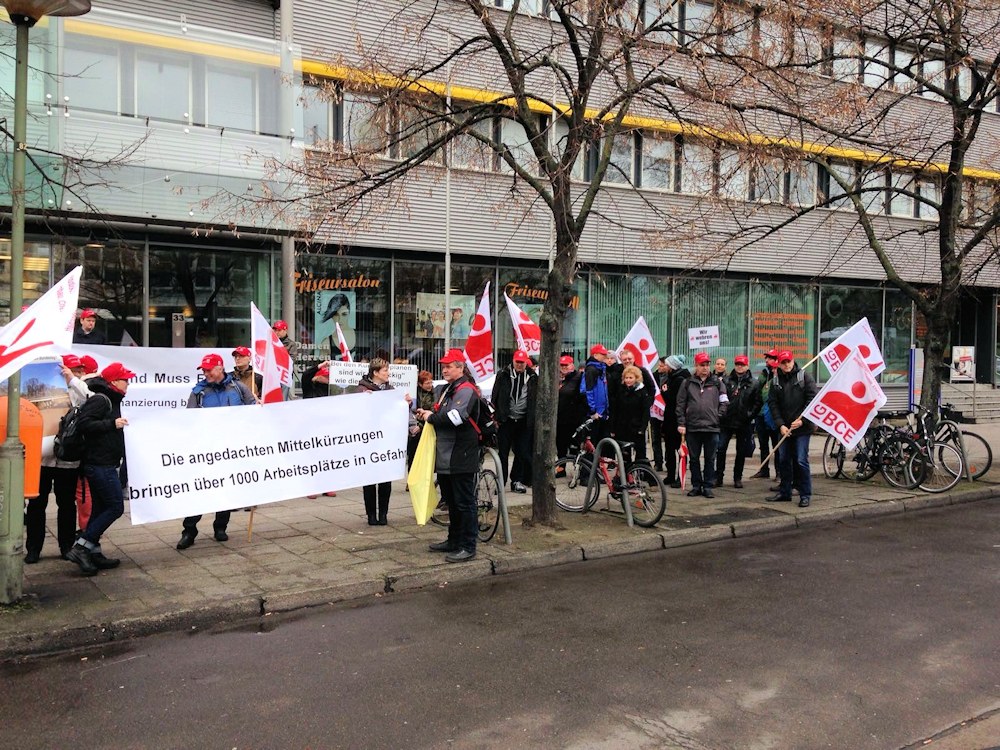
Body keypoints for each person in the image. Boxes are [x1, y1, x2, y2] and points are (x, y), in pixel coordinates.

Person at [176, 354, 256, 550]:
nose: (205, 373)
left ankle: (221, 527)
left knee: (226, 489)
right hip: (207, 450)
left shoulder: (238, 387)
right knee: (200, 490)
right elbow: (189, 420)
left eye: (209, 369)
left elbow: (253, 410)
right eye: (203, 370)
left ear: (220, 368)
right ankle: (189, 531)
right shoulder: (199, 392)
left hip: (231, 449)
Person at [64, 362, 135, 576]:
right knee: (115, 507)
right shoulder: (101, 400)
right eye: (125, 380)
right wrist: (111, 425)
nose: (128, 383)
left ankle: (93, 552)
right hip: (99, 464)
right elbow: (85, 424)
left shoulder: (109, 400)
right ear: (114, 382)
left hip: (102, 462)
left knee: (99, 509)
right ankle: (82, 547)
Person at [414, 349, 481, 563]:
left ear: (460, 368)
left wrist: (431, 416)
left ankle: (468, 546)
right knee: (452, 502)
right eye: (443, 365)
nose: (444, 369)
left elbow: (456, 417)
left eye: (449, 366)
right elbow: (441, 413)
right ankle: (454, 540)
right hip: (446, 454)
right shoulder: (447, 389)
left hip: (460, 454)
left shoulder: (466, 389)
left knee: (464, 502)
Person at [24, 355, 91, 563]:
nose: (78, 372)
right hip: (42, 458)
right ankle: (34, 548)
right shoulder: (43, 387)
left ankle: (66, 545)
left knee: (66, 504)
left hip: (67, 459)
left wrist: (73, 380)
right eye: (73, 369)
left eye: (79, 369)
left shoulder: (77, 390)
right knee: (36, 504)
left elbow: (92, 398)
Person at [356, 358, 414, 525]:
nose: (388, 373)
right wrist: (362, 400)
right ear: (375, 373)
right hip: (368, 441)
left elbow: (397, 411)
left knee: (385, 479)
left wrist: (406, 404)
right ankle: (371, 516)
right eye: (385, 370)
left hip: (386, 440)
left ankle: (383, 514)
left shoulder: (392, 390)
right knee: (369, 480)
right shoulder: (361, 389)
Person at [767, 351, 819, 508]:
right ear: (779, 364)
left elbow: (813, 400)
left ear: (793, 360)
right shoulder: (775, 381)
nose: (786, 365)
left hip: (802, 428)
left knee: (801, 460)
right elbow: (773, 404)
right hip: (784, 429)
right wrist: (780, 424)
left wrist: (803, 420)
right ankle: (785, 492)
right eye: (783, 362)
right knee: (783, 460)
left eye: (788, 361)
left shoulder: (805, 377)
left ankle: (805, 494)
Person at [676, 352, 728, 498]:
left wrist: (719, 416)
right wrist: (681, 422)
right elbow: (680, 404)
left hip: (712, 427)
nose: (705, 368)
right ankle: (696, 485)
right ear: (696, 366)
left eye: (707, 365)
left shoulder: (717, 382)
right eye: (702, 365)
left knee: (710, 458)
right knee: (693, 458)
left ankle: (708, 486)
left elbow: (724, 401)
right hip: (693, 427)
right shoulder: (687, 383)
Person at [492, 349, 537, 493]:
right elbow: (495, 395)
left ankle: (516, 480)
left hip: (524, 420)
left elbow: (536, 398)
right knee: (503, 452)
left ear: (526, 362)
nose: (519, 365)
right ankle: (501, 480)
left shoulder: (532, 376)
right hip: (506, 420)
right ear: (513, 360)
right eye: (517, 362)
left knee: (522, 452)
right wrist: (495, 416)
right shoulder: (503, 374)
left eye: (522, 362)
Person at [716, 354, 762, 489]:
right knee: (720, 448)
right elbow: (719, 398)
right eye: (737, 364)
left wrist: (750, 414)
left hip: (744, 422)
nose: (739, 367)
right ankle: (718, 477)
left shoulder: (754, 383)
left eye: (742, 364)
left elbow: (757, 402)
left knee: (741, 451)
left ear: (747, 366)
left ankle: (738, 478)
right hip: (727, 420)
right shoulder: (726, 380)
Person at [607, 348, 656, 463]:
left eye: (629, 359)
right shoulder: (616, 373)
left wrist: (648, 402)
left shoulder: (642, 371)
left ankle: (643, 472)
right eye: (625, 359)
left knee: (640, 452)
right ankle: (626, 475)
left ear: (634, 359)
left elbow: (652, 388)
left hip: (637, 418)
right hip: (622, 417)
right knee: (625, 452)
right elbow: (611, 393)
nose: (627, 361)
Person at [751, 349, 781, 482]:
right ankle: (764, 470)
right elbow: (757, 390)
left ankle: (779, 472)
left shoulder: (780, 376)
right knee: (763, 443)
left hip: (774, 415)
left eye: (770, 358)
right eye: (767, 358)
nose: (767, 360)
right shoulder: (764, 373)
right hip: (761, 414)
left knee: (776, 444)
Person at [661, 354, 689, 487]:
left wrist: (665, 392)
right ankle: (670, 475)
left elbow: (675, 399)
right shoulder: (670, 378)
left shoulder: (680, 379)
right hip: (669, 419)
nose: (664, 367)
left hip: (677, 418)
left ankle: (679, 476)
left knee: (680, 448)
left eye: (666, 364)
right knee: (669, 448)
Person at [556, 354, 586, 462]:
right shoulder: (557, 378)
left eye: (566, 365)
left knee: (574, 446)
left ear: (572, 365)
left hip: (573, 419)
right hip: (560, 419)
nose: (563, 367)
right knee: (560, 445)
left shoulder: (579, 377)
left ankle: (576, 469)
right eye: (562, 365)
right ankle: (561, 467)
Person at [581, 344, 611, 446]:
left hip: (602, 412)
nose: (605, 357)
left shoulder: (600, 368)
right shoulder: (591, 370)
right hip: (595, 413)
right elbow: (588, 391)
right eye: (603, 354)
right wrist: (593, 411)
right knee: (593, 443)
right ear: (596, 355)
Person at [407, 370, 436, 469]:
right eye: (427, 383)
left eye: (431, 382)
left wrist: (421, 425)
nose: (430, 385)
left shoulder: (434, 394)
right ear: (420, 384)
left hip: (427, 427)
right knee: (413, 457)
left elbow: (434, 410)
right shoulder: (414, 394)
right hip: (414, 429)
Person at [272, 319, 299, 399]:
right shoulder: (271, 342)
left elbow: (292, 359)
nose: (277, 332)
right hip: (272, 374)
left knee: (283, 398)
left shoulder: (291, 344)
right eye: (275, 330)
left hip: (284, 374)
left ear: (285, 330)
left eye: (279, 330)